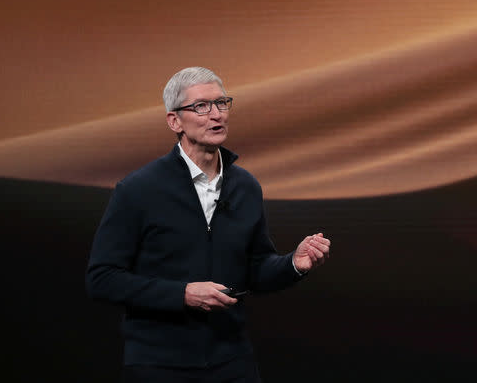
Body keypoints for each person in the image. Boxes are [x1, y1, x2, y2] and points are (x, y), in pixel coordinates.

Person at [86, 66, 330, 383]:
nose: (216, 114)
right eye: (201, 106)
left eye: (221, 103)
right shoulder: (138, 190)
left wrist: (293, 264)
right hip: (159, 365)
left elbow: (255, 270)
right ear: (175, 121)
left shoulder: (245, 186)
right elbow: (102, 279)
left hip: (231, 362)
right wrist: (182, 294)